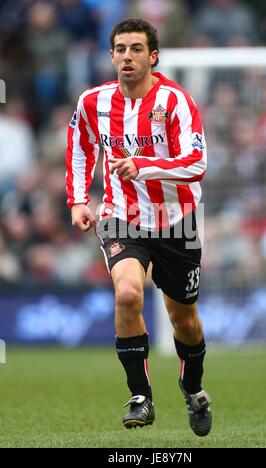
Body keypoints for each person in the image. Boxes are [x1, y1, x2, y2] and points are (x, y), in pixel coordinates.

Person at [66, 17, 211, 437]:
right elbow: (79, 148)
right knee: (128, 293)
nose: (127, 56)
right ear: (111, 55)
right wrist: (77, 199)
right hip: (120, 217)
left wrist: (143, 166)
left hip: (177, 224)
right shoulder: (92, 102)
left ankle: (194, 388)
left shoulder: (176, 102)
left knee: (183, 321)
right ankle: (140, 396)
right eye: (120, 49)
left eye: (136, 49)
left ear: (153, 56)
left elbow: (197, 163)